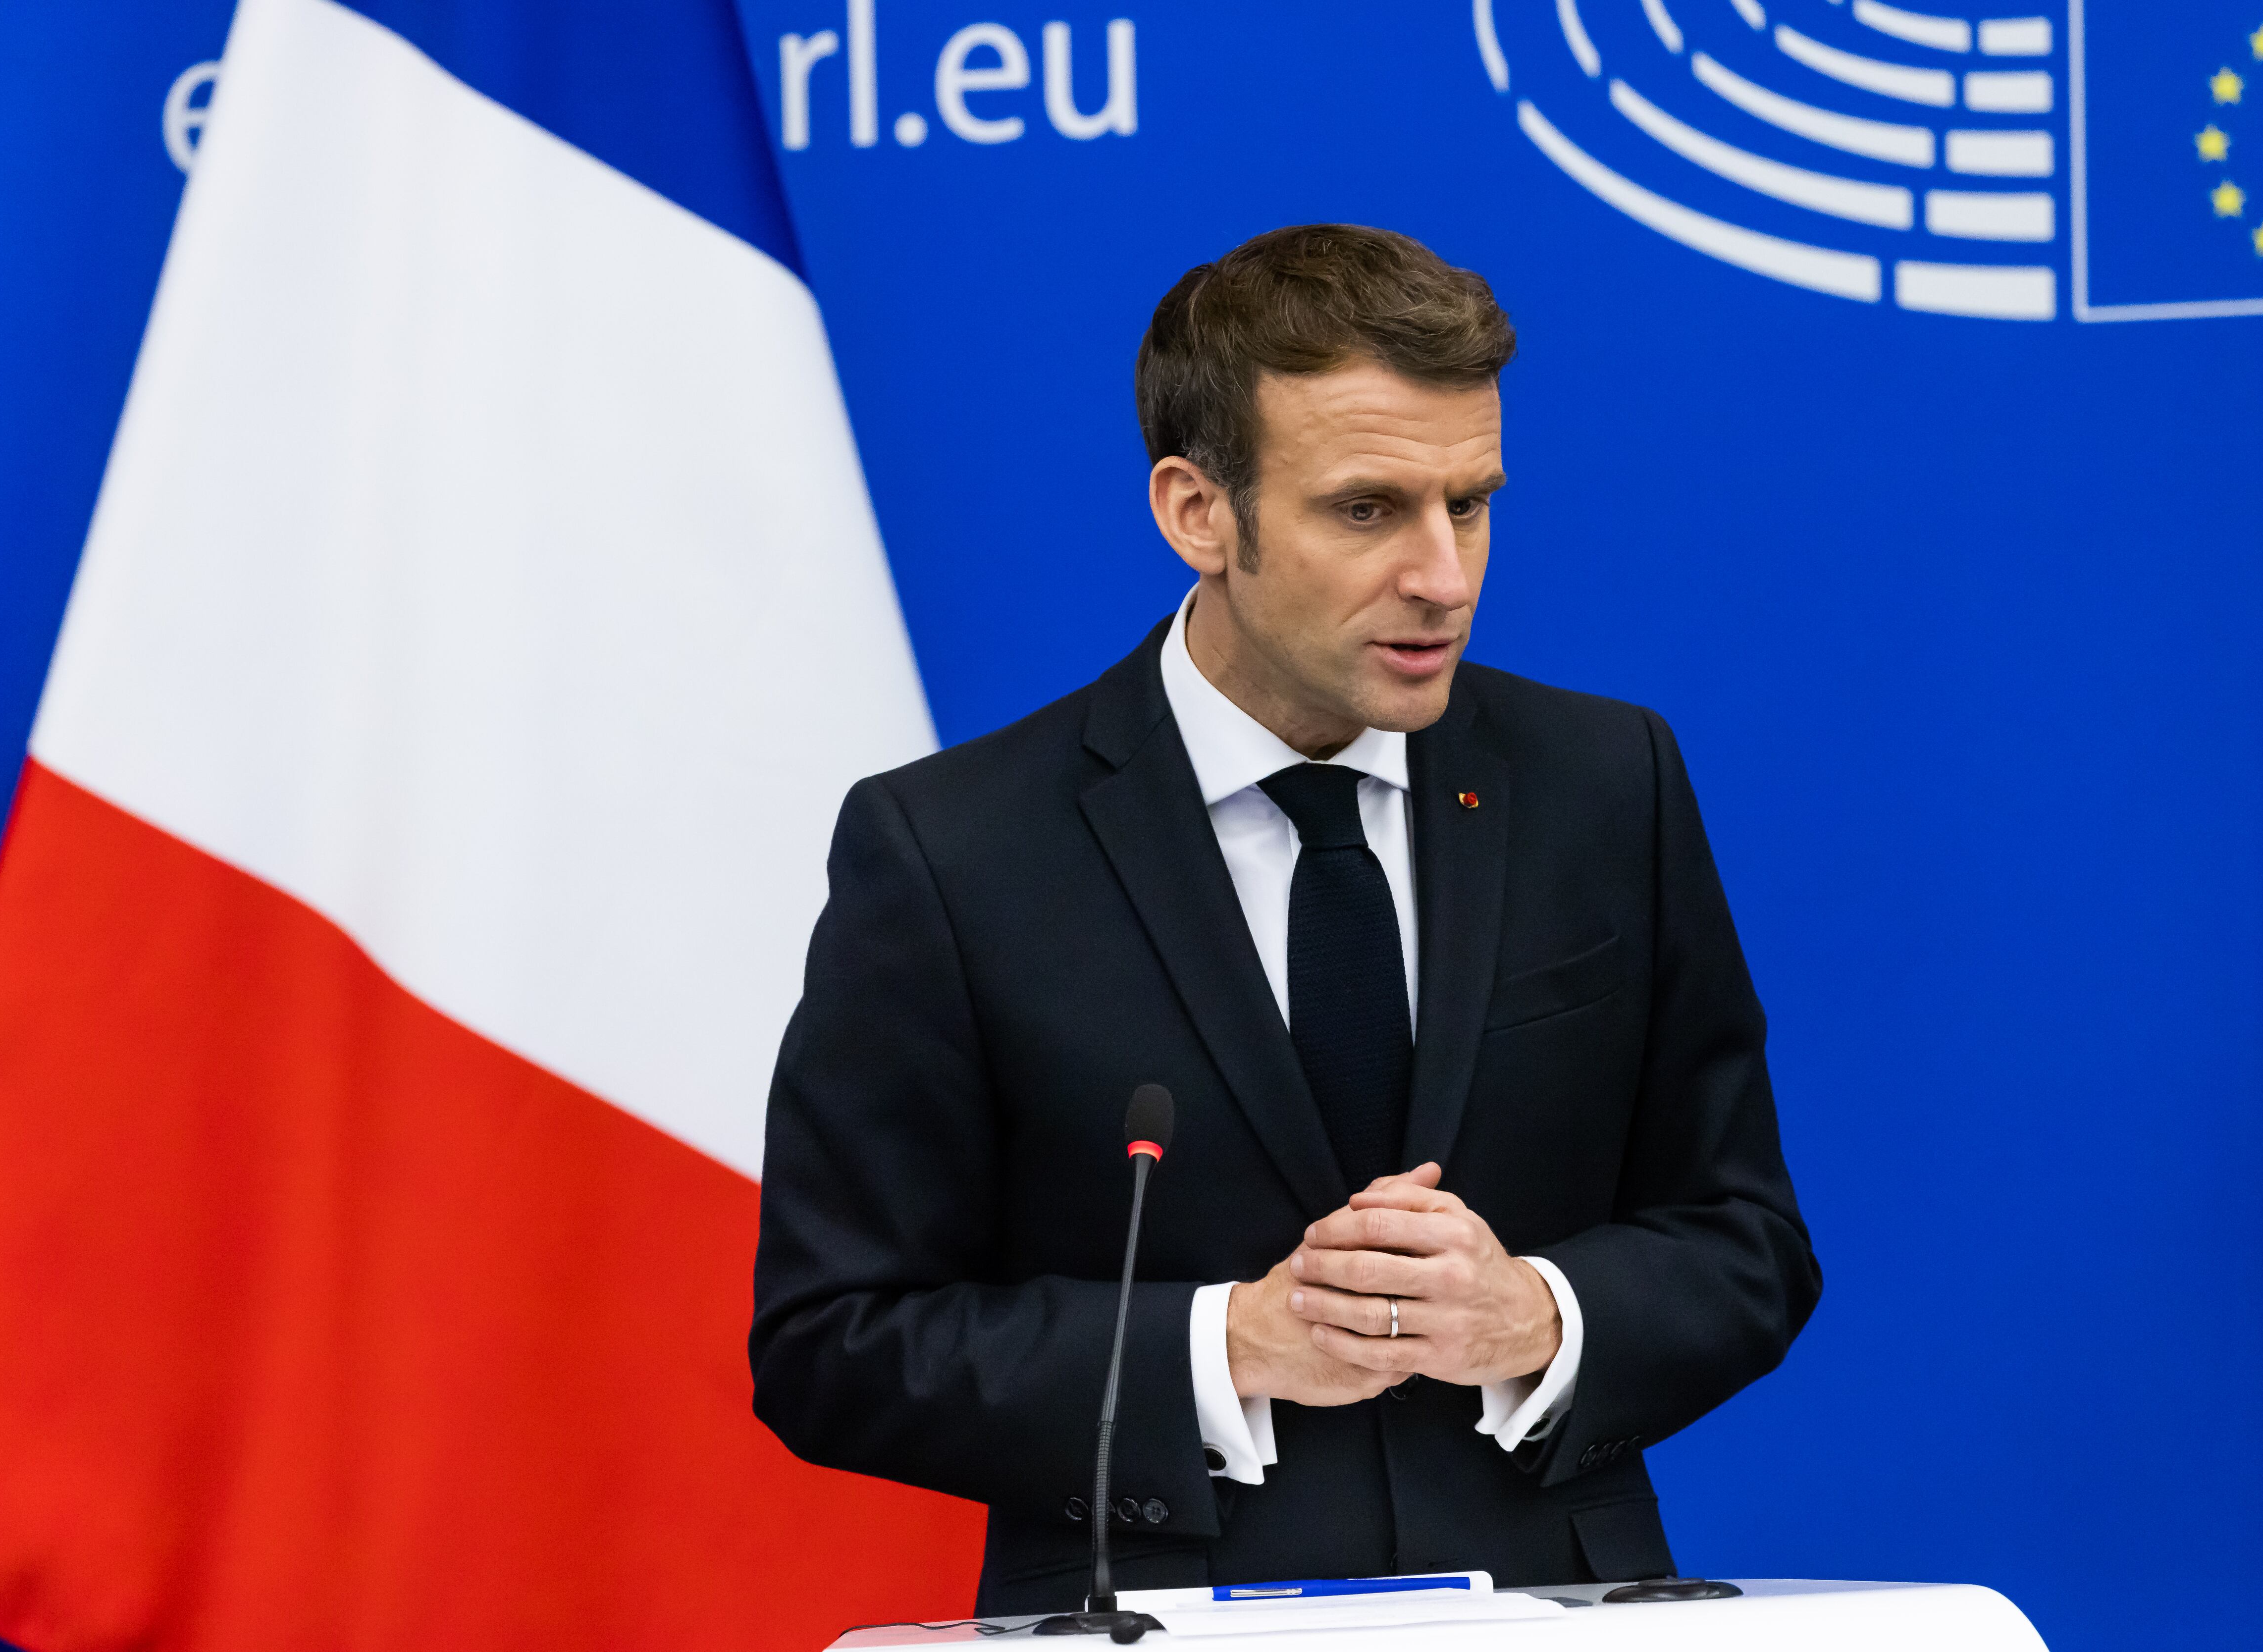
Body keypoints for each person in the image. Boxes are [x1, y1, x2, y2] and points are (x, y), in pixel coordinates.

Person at [749, 223, 1820, 1614]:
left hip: (1557, 1618)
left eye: (1473, 503)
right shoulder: (952, 849)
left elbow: (1746, 1240)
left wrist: (1538, 1315)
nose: (1446, 576)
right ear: (1200, 513)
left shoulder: (1611, 785)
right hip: (1153, 1619)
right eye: (1369, 510)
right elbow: (835, 1340)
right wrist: (1229, 1349)